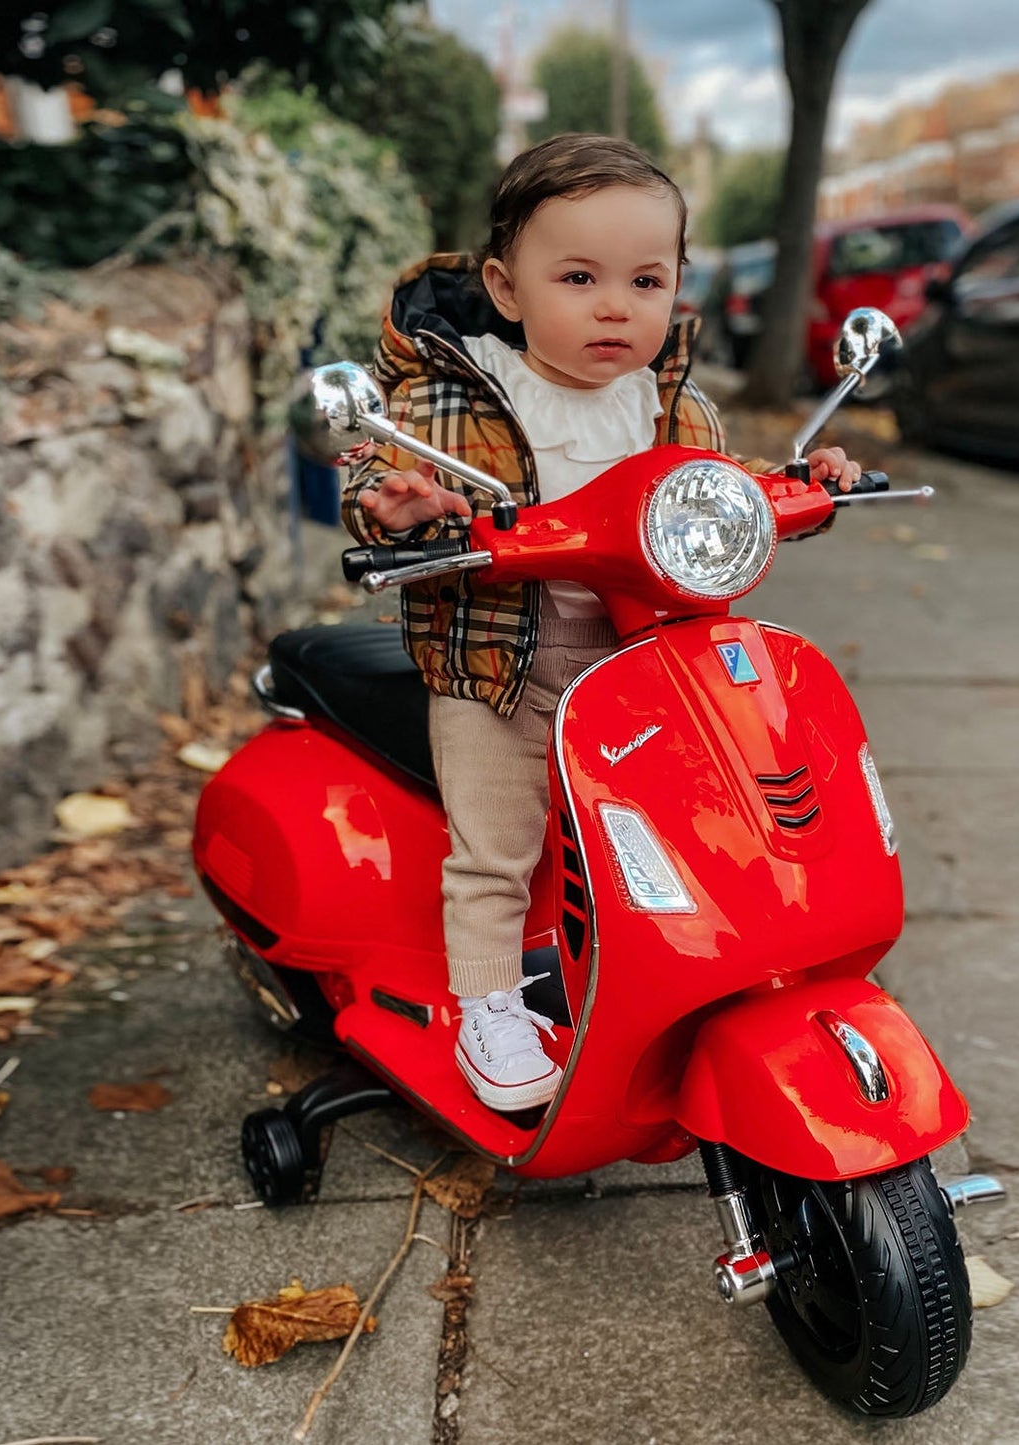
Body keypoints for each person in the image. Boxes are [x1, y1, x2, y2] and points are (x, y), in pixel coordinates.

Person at [342, 134, 860, 1113]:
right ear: (505, 284)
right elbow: (381, 471)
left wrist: (796, 484)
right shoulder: (451, 397)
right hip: (504, 663)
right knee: (496, 845)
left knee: (692, 822)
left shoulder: (670, 401)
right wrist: (393, 503)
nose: (615, 305)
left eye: (644, 278)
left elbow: (710, 490)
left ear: (676, 285)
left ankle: (678, 962)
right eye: (577, 276)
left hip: (648, 661)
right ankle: (490, 1002)